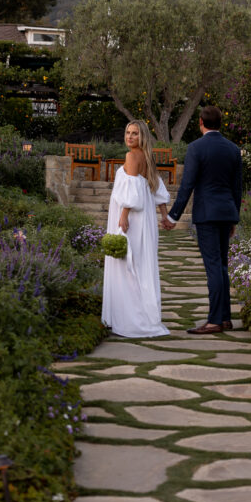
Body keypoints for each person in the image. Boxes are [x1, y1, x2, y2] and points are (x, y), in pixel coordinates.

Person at [163, 105, 242, 334]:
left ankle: (216, 320)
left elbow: (187, 185)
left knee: (214, 267)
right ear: (220, 123)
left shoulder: (196, 148)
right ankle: (225, 318)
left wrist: (172, 215)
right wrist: (234, 219)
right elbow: (237, 188)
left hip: (207, 215)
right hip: (226, 212)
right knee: (222, 265)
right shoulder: (233, 149)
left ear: (200, 122)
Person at [102, 120, 171, 338]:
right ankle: (144, 314)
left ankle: (131, 318)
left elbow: (131, 192)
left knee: (128, 264)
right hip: (146, 218)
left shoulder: (132, 156)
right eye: (127, 132)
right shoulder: (147, 156)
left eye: (134, 134)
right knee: (141, 265)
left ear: (142, 137)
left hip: (133, 218)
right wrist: (164, 215)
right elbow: (158, 190)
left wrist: (123, 217)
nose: (130, 137)